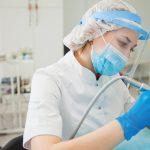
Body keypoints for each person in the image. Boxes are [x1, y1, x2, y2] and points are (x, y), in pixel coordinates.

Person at [23, 0, 150, 149]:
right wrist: (129, 123)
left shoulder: (113, 79)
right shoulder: (49, 79)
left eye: (132, 49)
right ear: (93, 32)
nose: (127, 56)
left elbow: (136, 111)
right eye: (123, 43)